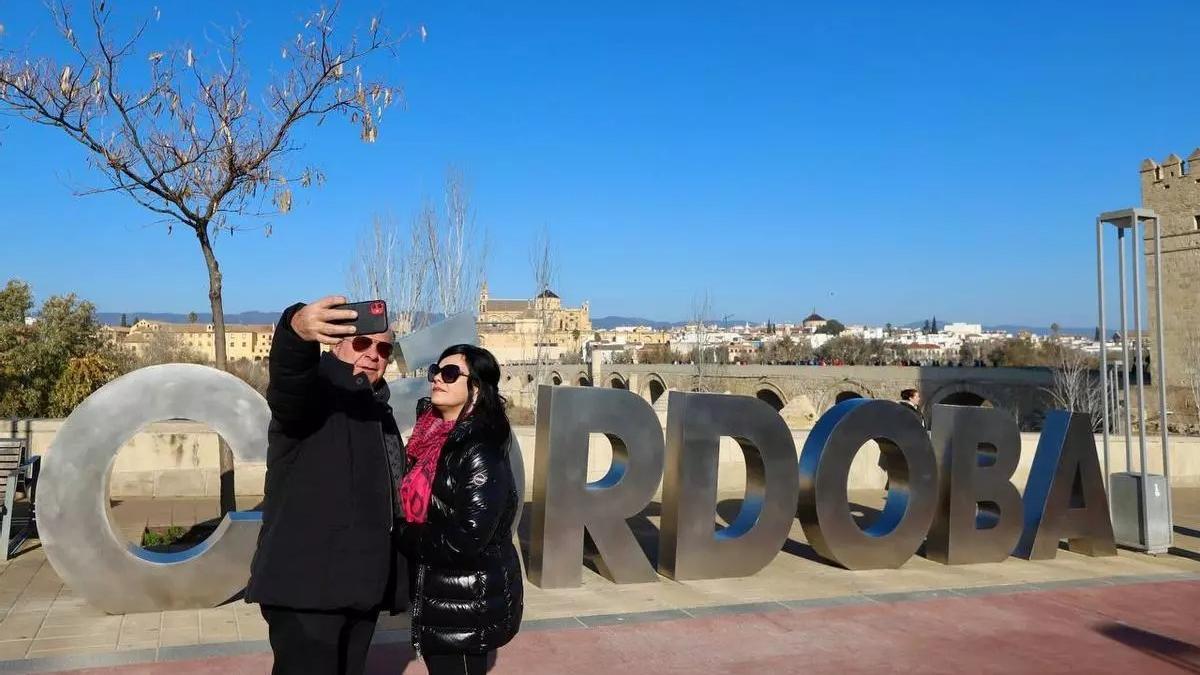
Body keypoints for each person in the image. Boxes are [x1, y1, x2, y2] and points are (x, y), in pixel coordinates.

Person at [245, 296, 408, 675]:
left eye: (383, 349)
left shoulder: (377, 410)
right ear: (337, 345)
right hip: (308, 592)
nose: (373, 355)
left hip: (361, 590)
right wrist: (295, 330)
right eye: (362, 343)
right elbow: (289, 381)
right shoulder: (317, 393)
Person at [398, 344, 523, 675]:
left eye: (450, 373)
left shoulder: (478, 449)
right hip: (438, 594)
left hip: (467, 603)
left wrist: (403, 534)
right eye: (436, 371)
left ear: (476, 388)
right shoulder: (428, 438)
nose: (438, 378)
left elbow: (466, 539)